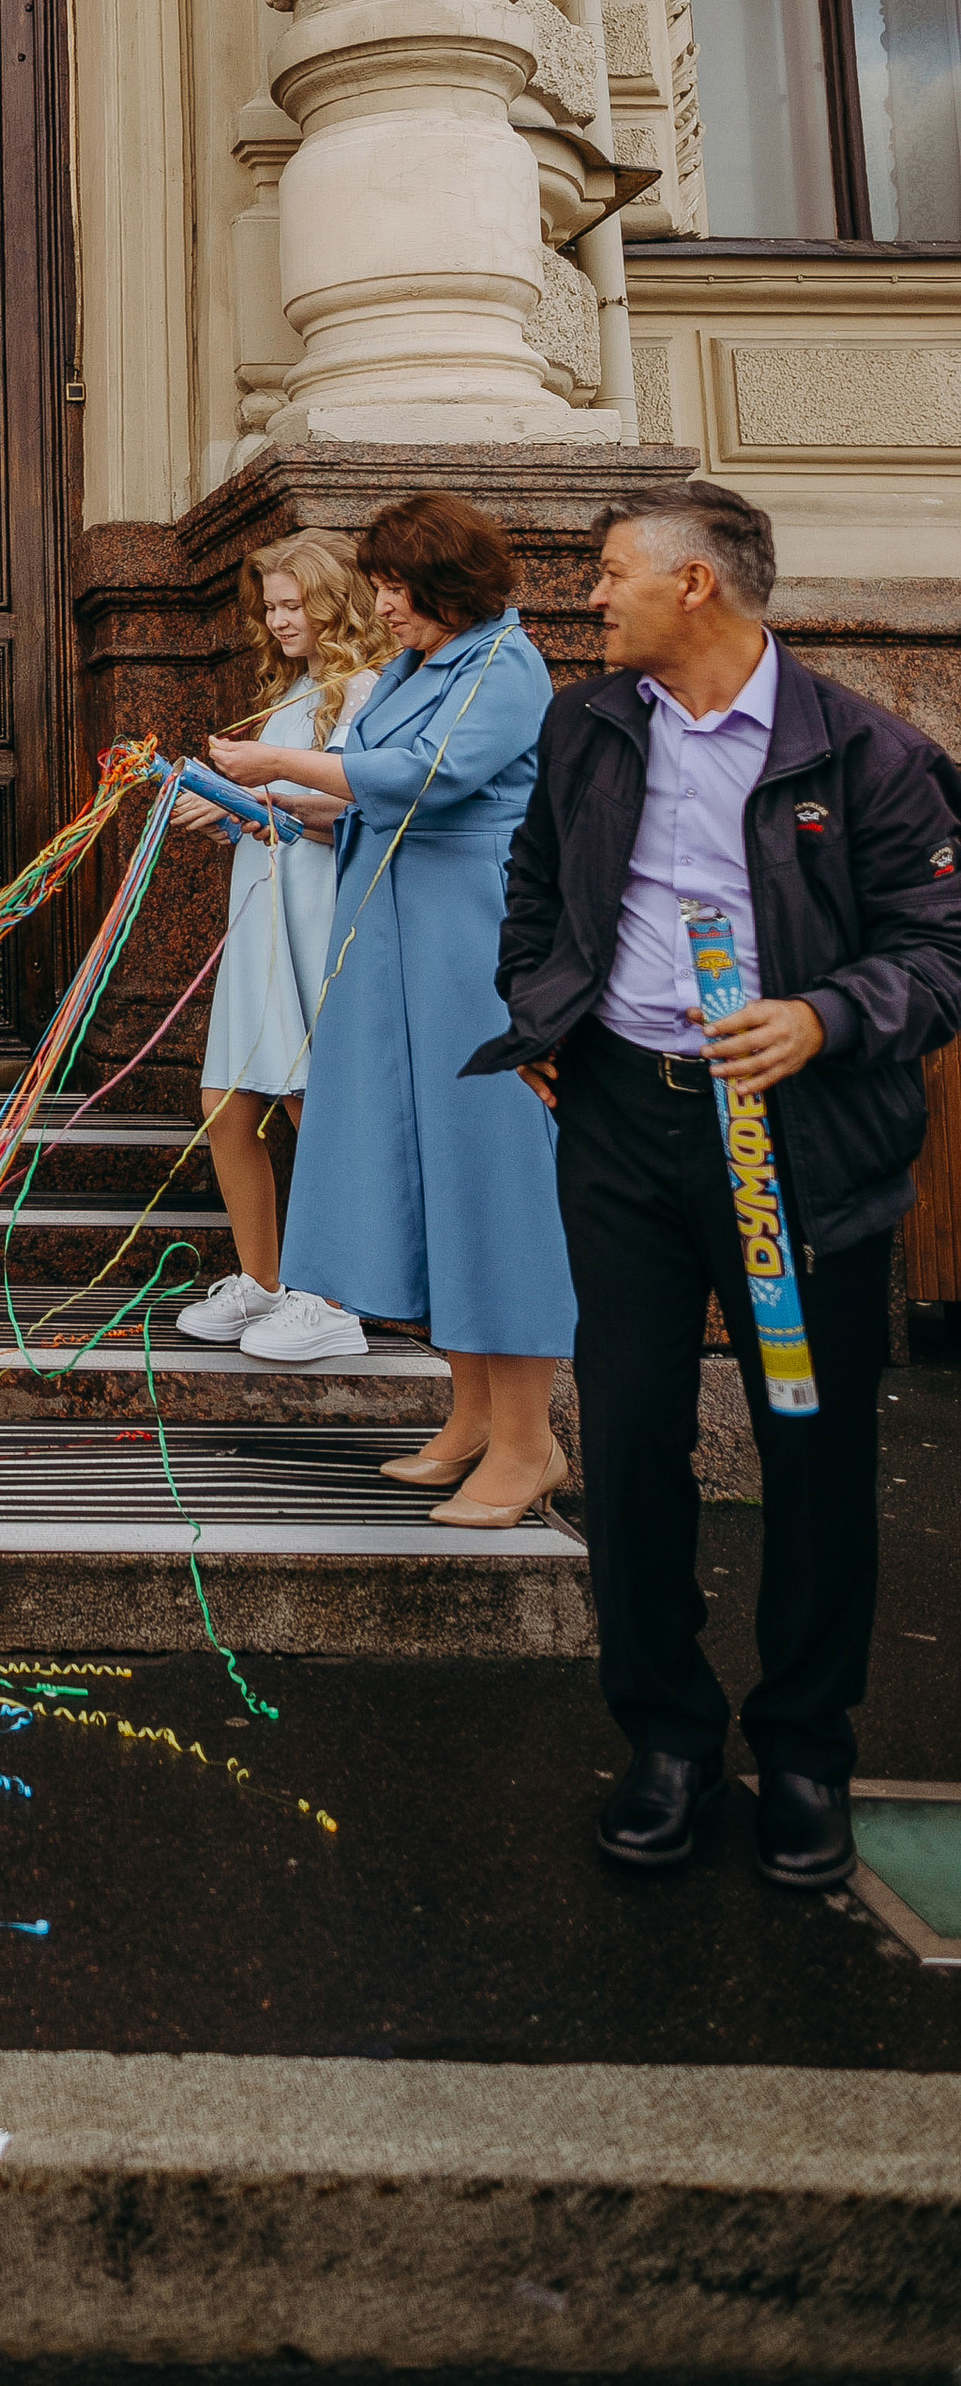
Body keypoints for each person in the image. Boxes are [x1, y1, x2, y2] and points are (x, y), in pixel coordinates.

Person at [470, 481, 961, 1891]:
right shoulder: (590, 723)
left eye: (613, 574)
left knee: (811, 1452)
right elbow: (537, 884)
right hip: (626, 1132)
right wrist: (543, 1010)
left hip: (797, 1151)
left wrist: (823, 1018)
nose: (591, 596)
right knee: (626, 1447)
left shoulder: (863, 753)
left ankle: (805, 1751)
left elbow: (941, 950)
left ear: (697, 587)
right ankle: (668, 1737)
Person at [208, 488, 571, 1525]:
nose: (384, 606)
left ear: (447, 585)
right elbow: (359, 794)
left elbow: (425, 778)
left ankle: (526, 1442)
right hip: (390, 953)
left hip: (470, 955)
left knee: (492, 1188)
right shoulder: (416, 665)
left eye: (397, 587)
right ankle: (468, 1420)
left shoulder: (504, 664)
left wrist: (279, 763)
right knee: (420, 1184)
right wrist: (270, 799)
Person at [173, 532, 391, 1346]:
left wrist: (249, 800)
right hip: (264, 907)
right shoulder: (291, 691)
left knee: (309, 1098)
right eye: (269, 606)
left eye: (295, 604)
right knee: (227, 1098)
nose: (280, 618)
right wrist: (225, 809)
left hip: (319, 913)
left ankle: (335, 1295)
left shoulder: (364, 689)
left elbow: (351, 809)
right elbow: (276, 814)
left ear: (334, 602)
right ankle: (262, 1279)